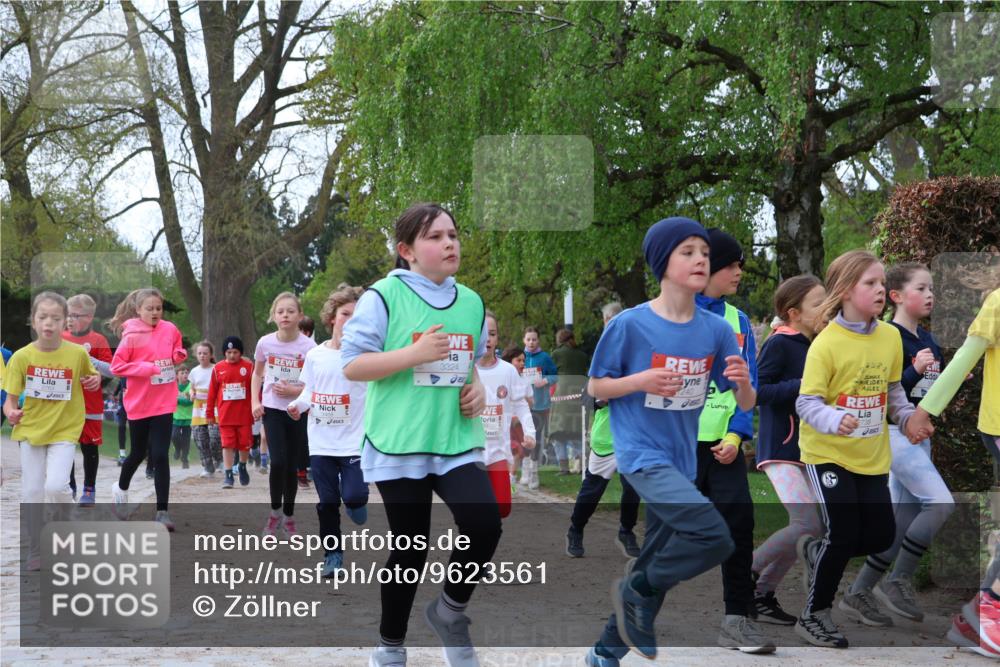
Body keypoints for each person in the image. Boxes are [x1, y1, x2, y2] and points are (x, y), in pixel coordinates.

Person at [583, 217, 755, 666]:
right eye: (688, 252)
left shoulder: (716, 330)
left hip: (683, 460)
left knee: (658, 559)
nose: (701, 260)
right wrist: (641, 380)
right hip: (642, 455)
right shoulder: (629, 325)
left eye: (705, 253)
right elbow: (596, 386)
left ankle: (605, 652)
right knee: (713, 535)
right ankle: (632, 592)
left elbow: (746, 400)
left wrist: (743, 383)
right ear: (663, 263)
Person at [341, 202, 499, 667]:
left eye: (453, 234)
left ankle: (449, 613)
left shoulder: (471, 302)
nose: (450, 243)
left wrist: (478, 389)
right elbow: (353, 365)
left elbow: (469, 365)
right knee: (411, 549)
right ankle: (390, 645)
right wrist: (414, 354)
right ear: (407, 250)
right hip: (399, 442)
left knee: (484, 524)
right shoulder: (383, 296)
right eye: (435, 237)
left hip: (455, 439)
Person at [793, 250, 929, 649]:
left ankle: (816, 551)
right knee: (843, 533)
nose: (880, 289)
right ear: (846, 291)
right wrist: (833, 418)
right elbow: (806, 402)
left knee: (880, 536)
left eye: (882, 282)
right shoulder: (826, 343)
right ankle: (814, 615)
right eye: (870, 283)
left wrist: (907, 417)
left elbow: (893, 390)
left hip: (870, 457)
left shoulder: (889, 337)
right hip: (827, 454)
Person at [846, 262, 955, 625]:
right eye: (921, 288)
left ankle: (858, 591)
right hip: (893, 434)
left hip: (919, 437)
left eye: (931, 288)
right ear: (896, 296)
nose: (930, 295)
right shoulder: (887, 336)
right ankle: (899, 579)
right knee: (940, 504)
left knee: (902, 519)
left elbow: (930, 395)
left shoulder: (928, 340)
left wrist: (953, 379)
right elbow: (880, 389)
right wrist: (914, 370)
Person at [907, 273, 1000, 657]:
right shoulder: (998, 302)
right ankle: (987, 611)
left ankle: (976, 617)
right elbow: (964, 359)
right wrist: (925, 410)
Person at [691, 228, 774, 652]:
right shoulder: (666, 317)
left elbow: (748, 386)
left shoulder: (739, 322)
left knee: (740, 524)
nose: (739, 272)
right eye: (732, 265)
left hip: (723, 447)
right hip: (677, 449)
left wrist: (736, 435)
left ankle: (737, 619)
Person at [3, 292, 99, 569]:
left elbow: (91, 375)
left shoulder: (77, 354)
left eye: (56, 318)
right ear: (33, 321)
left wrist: (93, 381)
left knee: (56, 486)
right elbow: (10, 400)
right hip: (31, 430)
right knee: (32, 491)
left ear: (65, 321)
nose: (49, 323)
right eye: (43, 317)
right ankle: (36, 549)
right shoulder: (21, 357)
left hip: (65, 430)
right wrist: (11, 412)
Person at [751, 275, 827, 624]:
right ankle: (745, 574)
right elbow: (758, 392)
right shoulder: (780, 343)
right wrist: (803, 385)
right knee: (806, 522)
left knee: (813, 527)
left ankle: (761, 593)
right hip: (780, 449)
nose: (826, 308)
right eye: (818, 303)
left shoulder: (816, 344)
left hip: (808, 451)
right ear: (794, 313)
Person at [287, 284, 370, 577]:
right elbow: (309, 391)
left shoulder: (366, 357)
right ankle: (332, 555)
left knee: (355, 495)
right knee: (327, 503)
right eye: (345, 314)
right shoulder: (315, 355)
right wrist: (298, 405)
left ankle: (356, 503)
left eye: (357, 316)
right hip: (321, 442)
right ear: (332, 317)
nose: (350, 320)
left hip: (354, 441)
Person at [566, 302, 642, 560]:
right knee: (593, 490)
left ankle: (626, 531)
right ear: (605, 325)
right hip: (606, 436)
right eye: (610, 324)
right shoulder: (602, 356)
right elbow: (587, 399)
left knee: (633, 486)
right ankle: (576, 529)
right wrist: (601, 399)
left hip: (633, 435)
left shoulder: (640, 355)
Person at [109, 288, 188, 531]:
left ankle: (162, 512)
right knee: (138, 453)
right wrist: (146, 368)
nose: (155, 312)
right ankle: (120, 489)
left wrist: (178, 354)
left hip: (164, 401)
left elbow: (177, 349)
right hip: (139, 403)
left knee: (161, 454)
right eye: (149, 308)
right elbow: (116, 367)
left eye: (158, 308)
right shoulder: (131, 336)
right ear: (138, 310)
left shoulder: (170, 329)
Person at [252, 292, 315, 536]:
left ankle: (288, 517)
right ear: (274, 316)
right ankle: (274, 513)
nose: (285, 315)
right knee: (277, 462)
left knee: (291, 465)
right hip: (272, 409)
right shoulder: (265, 343)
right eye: (280, 311)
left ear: (300, 315)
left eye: (290, 311)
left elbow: (314, 383)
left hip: (297, 410)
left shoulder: (309, 347)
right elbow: (257, 374)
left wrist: (294, 391)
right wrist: (254, 402)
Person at [476, 310, 535, 518]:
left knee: (503, 507)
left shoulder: (508, 371)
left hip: (497, 451)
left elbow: (520, 404)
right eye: (482, 333)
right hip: (469, 452)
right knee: (473, 509)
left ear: (497, 338)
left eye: (492, 334)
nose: (487, 339)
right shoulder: (465, 369)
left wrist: (530, 432)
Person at [62, 293, 114, 506]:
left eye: (76, 315)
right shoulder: (59, 338)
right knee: (65, 447)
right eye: (68, 315)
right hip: (63, 406)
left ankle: (89, 489)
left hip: (90, 405)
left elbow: (111, 370)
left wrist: (98, 376)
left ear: (90, 317)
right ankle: (70, 486)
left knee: (89, 448)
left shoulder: (98, 340)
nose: (70, 319)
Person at [207, 336, 255, 489]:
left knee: (244, 444)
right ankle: (228, 475)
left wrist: (257, 406)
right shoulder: (218, 368)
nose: (232, 355)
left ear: (240, 352)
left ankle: (242, 466)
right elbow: (212, 393)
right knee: (227, 445)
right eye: (229, 352)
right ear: (224, 353)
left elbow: (255, 390)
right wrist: (209, 413)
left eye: (235, 352)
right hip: (225, 415)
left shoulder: (249, 367)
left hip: (244, 415)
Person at [549, 328, 590, 474]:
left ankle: (564, 468)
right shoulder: (582, 355)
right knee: (576, 433)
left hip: (561, 398)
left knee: (558, 434)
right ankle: (583, 465)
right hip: (580, 397)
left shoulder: (556, 354)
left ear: (559, 340)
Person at [522, 326, 558, 481]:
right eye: (528, 339)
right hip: (523, 404)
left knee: (536, 438)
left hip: (540, 405)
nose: (531, 342)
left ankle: (534, 472)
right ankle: (525, 470)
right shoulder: (521, 356)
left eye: (534, 339)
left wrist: (544, 380)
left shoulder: (544, 358)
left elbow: (555, 376)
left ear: (538, 340)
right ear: (524, 340)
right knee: (523, 437)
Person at [501, 345, 534, 486]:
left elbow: (531, 402)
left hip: (519, 422)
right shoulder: (501, 377)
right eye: (518, 360)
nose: (522, 363)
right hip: (502, 422)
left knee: (519, 451)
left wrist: (522, 399)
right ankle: (506, 479)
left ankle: (511, 479)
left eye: (523, 361)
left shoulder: (525, 379)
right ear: (509, 361)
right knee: (506, 452)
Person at [189, 341, 222, 477]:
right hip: (198, 408)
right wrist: (192, 393)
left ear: (211, 355)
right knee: (200, 439)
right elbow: (191, 387)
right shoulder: (194, 371)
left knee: (215, 437)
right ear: (196, 355)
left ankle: (219, 459)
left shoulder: (216, 369)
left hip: (214, 407)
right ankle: (208, 467)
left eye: (205, 353)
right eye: (200, 353)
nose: (202, 356)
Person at [172, 365, 193, 469]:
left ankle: (185, 459)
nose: (185, 375)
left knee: (186, 440)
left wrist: (177, 400)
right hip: (175, 416)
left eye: (186, 373)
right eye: (182, 373)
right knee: (174, 436)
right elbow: (170, 399)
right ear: (177, 375)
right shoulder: (173, 386)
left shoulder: (191, 386)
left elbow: (189, 402)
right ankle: (177, 449)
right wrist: (178, 400)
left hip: (188, 417)